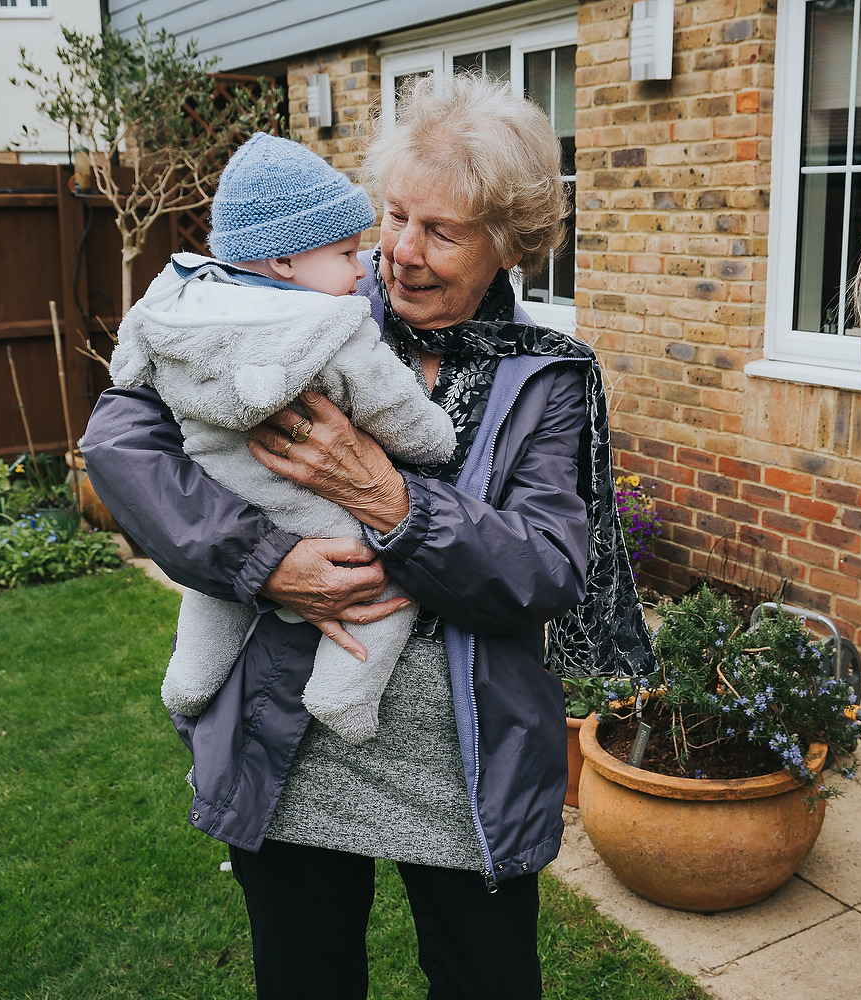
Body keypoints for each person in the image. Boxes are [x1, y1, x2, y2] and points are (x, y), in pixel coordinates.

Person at [78, 74, 654, 999]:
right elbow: (120, 439)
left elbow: (546, 569)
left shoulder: (549, 379)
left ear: (509, 244)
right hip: (287, 734)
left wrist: (391, 503)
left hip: (464, 763)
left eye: (443, 231)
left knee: (488, 984)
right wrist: (266, 563)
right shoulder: (290, 316)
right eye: (391, 218)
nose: (400, 253)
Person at [110, 132, 457, 745]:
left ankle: (188, 680)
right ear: (285, 262)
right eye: (348, 253)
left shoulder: (180, 307)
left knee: (215, 591)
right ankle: (343, 695)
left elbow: (128, 365)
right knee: (388, 576)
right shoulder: (331, 329)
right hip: (312, 515)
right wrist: (435, 440)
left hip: (224, 492)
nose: (364, 268)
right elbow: (394, 406)